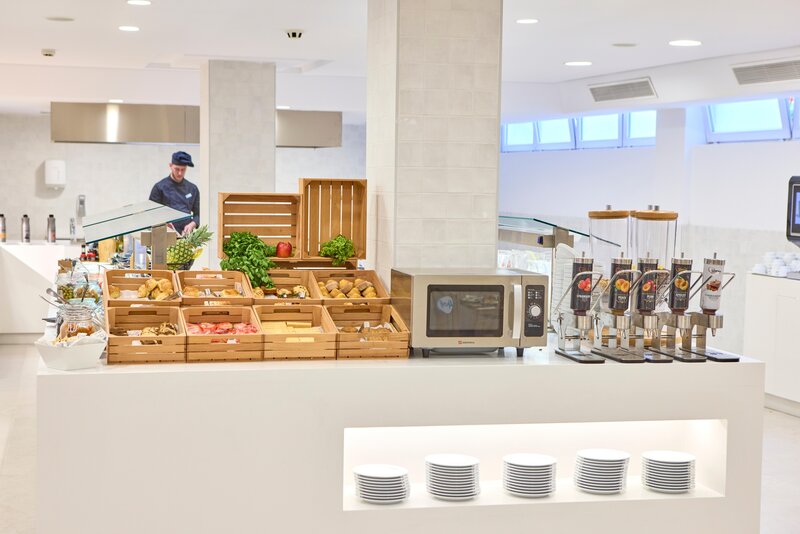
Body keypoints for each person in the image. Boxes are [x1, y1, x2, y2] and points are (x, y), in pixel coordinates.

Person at [149, 151, 200, 236]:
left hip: (186, 236)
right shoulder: (159, 187)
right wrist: (164, 225)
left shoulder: (193, 188)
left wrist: (192, 224)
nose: (180, 173)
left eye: (183, 170)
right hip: (164, 235)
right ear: (170, 166)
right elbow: (152, 213)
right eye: (177, 169)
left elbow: (198, 214)